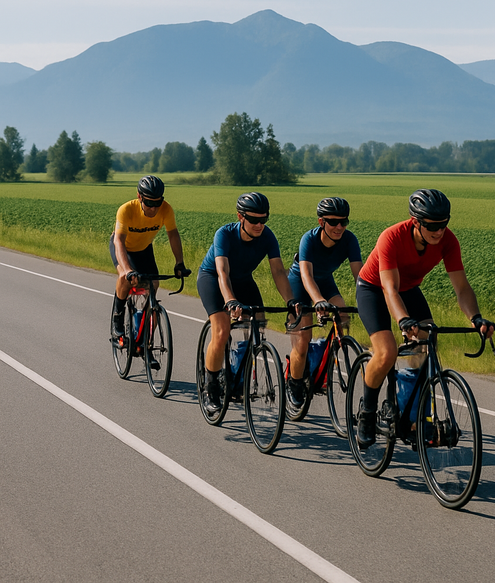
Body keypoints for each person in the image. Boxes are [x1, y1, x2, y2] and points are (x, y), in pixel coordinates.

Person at [355, 188, 495, 449]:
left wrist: (476, 318)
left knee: (427, 343)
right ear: (415, 221)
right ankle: (368, 413)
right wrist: (403, 320)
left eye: (443, 224)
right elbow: (389, 288)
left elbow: (462, 288)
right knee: (385, 353)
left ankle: (411, 417)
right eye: (431, 225)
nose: (438, 231)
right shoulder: (391, 237)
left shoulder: (448, 241)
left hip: (408, 289)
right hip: (374, 288)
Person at [196, 191, 300, 414]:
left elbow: (279, 272)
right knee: (222, 330)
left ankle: (237, 373)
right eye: (253, 219)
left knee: (258, 324)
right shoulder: (224, 234)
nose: (259, 224)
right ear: (240, 217)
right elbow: (222, 272)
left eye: (264, 219)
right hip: (213, 279)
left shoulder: (268, 237)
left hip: (243, 280)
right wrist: (230, 300)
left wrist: (291, 301)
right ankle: (211, 386)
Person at [286, 197, 363, 409]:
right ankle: (295, 383)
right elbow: (307, 276)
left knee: (343, 313)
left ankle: (325, 357)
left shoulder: (349, 240)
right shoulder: (309, 240)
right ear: (321, 222)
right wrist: (318, 300)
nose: (339, 227)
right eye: (333, 222)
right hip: (300, 282)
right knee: (302, 341)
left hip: (325, 280)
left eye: (344, 222)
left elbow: (360, 276)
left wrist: (368, 298)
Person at [110, 175, 190, 342]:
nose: (154, 208)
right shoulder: (126, 210)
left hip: (144, 249)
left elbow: (173, 235)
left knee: (153, 284)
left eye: (157, 202)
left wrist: (179, 263)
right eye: (149, 203)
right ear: (139, 196)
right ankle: (118, 316)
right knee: (125, 278)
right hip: (123, 247)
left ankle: (144, 339)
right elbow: (118, 241)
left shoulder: (166, 210)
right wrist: (127, 270)